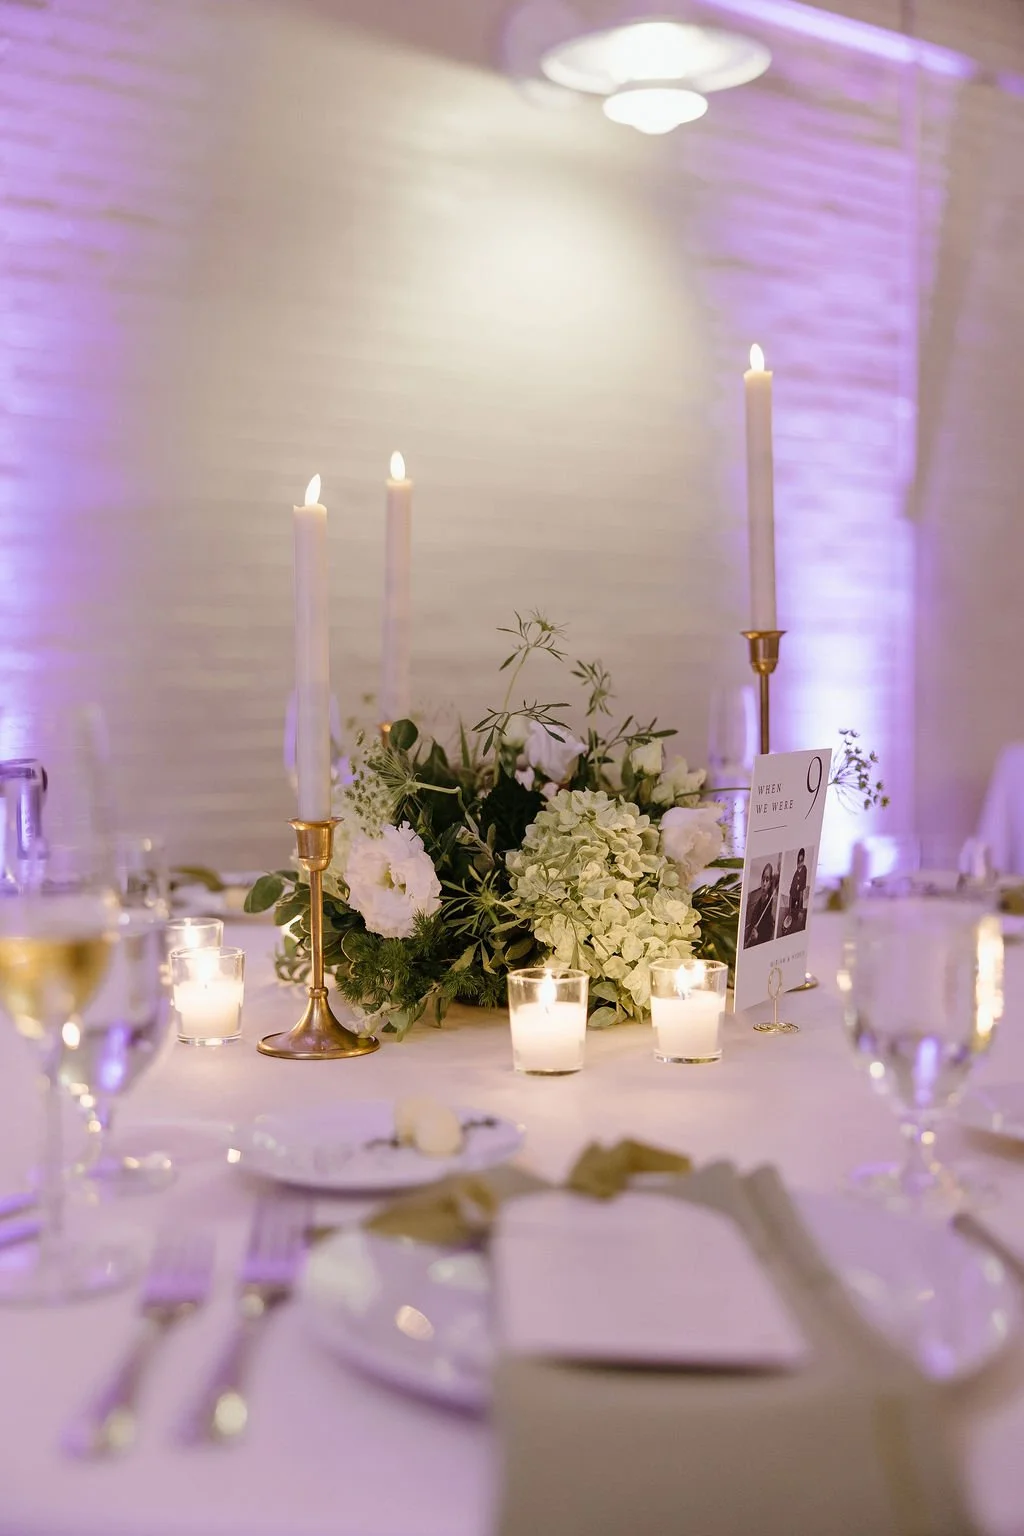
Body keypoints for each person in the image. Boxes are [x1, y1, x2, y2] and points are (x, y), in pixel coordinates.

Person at [744, 859, 778, 948]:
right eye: (763, 879)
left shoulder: (771, 907)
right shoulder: (757, 904)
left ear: (770, 883)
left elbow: (769, 936)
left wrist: (757, 938)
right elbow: (751, 925)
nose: (764, 883)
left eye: (767, 880)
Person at [786, 847, 808, 934]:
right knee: (791, 911)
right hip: (793, 893)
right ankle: (790, 927)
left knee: (797, 910)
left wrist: (800, 887)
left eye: (802, 860)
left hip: (799, 894)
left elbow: (803, 881)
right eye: (799, 860)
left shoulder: (804, 869)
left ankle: (795, 929)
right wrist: (792, 889)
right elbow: (794, 882)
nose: (800, 862)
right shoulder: (796, 871)